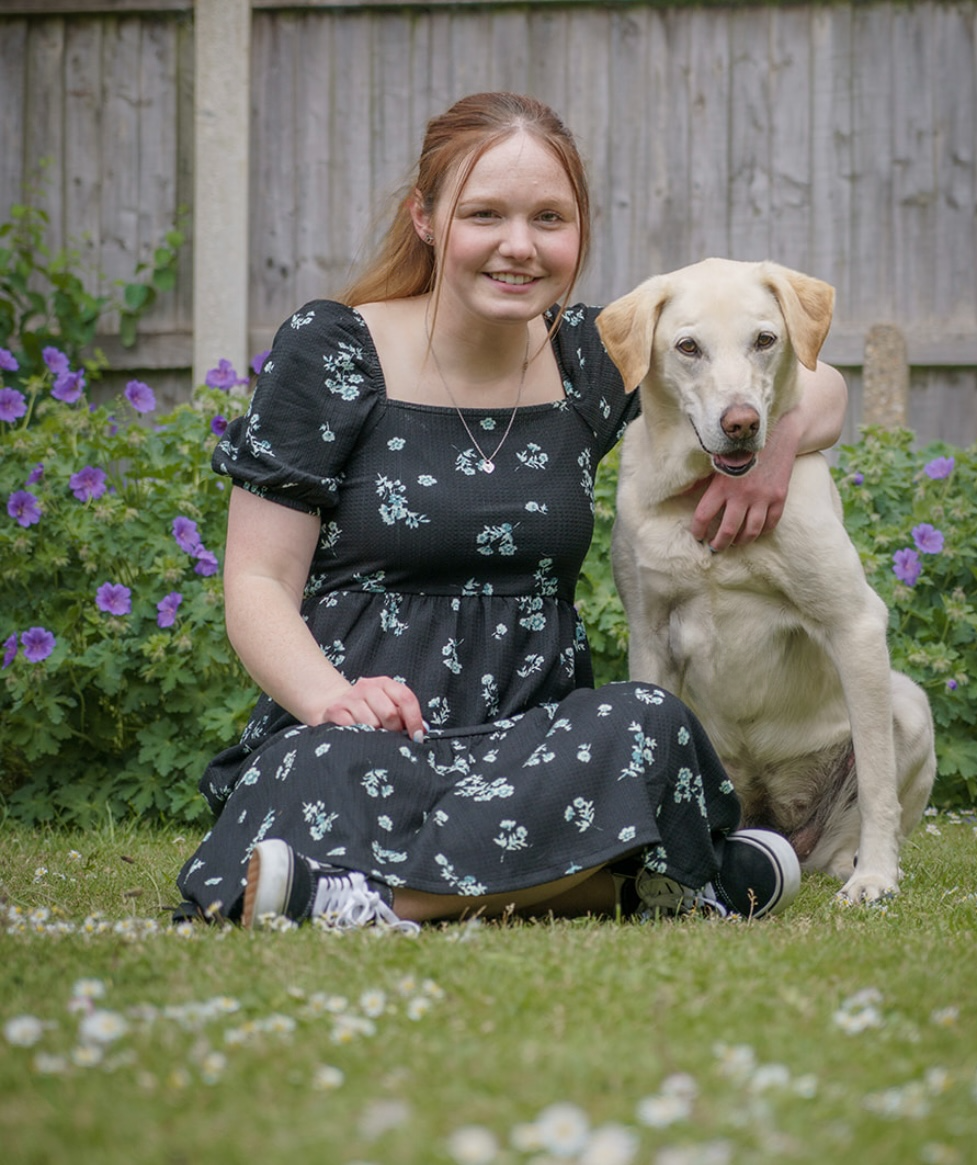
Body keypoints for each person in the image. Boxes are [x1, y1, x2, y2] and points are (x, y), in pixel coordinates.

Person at [175, 92, 847, 931]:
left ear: (579, 231)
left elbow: (819, 382)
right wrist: (330, 699)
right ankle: (670, 885)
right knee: (325, 769)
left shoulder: (592, 359)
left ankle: (349, 896)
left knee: (646, 722)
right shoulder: (334, 349)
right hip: (365, 727)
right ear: (426, 218)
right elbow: (256, 581)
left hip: (535, 750)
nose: (520, 246)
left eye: (550, 218)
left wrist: (768, 454)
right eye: (485, 214)